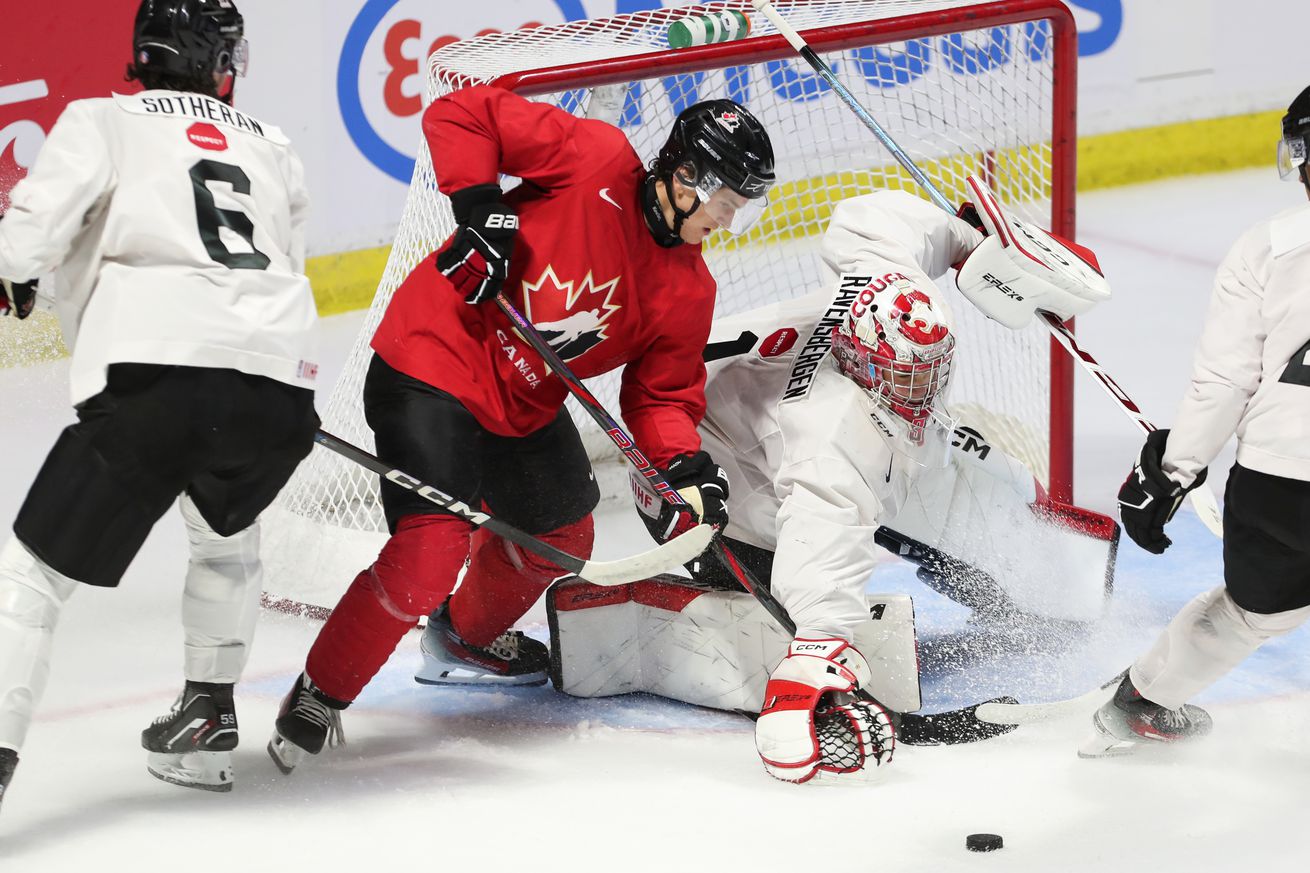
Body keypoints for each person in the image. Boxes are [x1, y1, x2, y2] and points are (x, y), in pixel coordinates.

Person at [265, 89, 776, 773]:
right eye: (727, 202)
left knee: (562, 533)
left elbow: (658, 397)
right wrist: (481, 209)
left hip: (522, 403)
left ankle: (462, 636)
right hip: (434, 358)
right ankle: (319, 691)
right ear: (687, 179)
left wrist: (682, 464)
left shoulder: (689, 290)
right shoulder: (595, 158)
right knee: (429, 552)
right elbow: (462, 115)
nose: (728, 220)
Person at [555, 185, 1115, 783]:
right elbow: (824, 534)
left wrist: (972, 241)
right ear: (858, 358)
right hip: (699, 487)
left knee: (992, 502)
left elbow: (871, 218)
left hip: (752, 425)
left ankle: (1057, 598)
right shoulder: (828, 432)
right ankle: (668, 619)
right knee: (798, 617)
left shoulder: (887, 296)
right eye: (903, 380)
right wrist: (815, 655)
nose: (919, 394)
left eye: (927, 375)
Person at [0, 0, 319, 805]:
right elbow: (283, 265)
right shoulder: (272, 146)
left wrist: (18, 273)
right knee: (224, 532)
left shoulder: (102, 119)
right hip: (279, 396)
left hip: (155, 383)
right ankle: (207, 715)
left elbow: (23, 238)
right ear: (217, 59)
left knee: (30, 577)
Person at [1082, 85, 1310, 758]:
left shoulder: (1267, 246)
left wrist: (1172, 471)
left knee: (1252, 611)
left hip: (1279, 484)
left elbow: (1225, 381)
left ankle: (1143, 700)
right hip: (1281, 478)